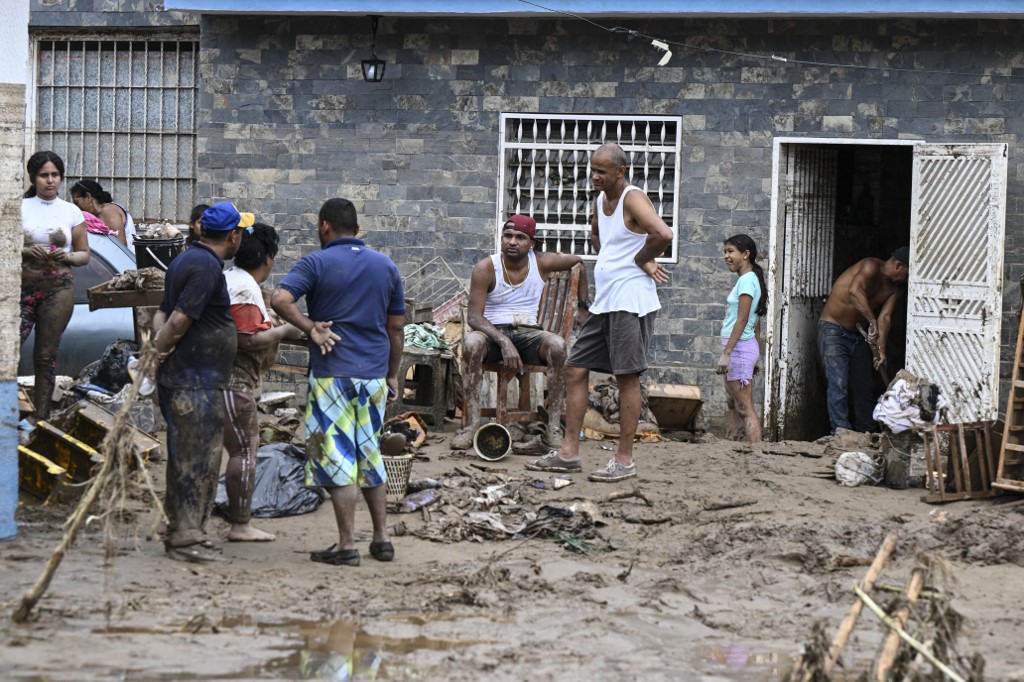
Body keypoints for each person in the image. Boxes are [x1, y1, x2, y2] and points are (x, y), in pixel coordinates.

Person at [526, 143, 672, 482]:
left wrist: (641, 260)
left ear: (620, 171)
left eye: (602, 171)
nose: (594, 176)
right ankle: (569, 453)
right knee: (575, 370)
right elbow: (597, 234)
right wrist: (614, 257)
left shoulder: (632, 198)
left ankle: (623, 461)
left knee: (626, 378)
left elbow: (663, 233)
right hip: (605, 301)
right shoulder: (599, 200)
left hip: (628, 302)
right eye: (592, 169)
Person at [271, 198, 405, 567]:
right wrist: (393, 372)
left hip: (332, 376)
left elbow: (280, 298)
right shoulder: (386, 265)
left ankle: (347, 545)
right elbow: (397, 328)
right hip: (374, 376)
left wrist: (311, 328)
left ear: (324, 226)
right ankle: (382, 540)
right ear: (357, 229)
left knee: (337, 458)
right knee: (369, 455)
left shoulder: (315, 262)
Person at [152, 201, 251, 563]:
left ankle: (180, 526)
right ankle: (186, 536)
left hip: (190, 377)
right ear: (233, 235)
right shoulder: (205, 266)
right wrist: (156, 354)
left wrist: (156, 347)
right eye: (241, 232)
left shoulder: (186, 259)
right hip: (194, 381)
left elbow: (161, 312)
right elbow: (177, 320)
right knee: (198, 460)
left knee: (185, 457)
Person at [450, 214, 588, 453]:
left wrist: (584, 306)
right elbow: (474, 317)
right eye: (508, 236)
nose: (512, 242)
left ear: (531, 243)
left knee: (557, 345)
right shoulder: (485, 267)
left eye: (520, 237)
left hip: (529, 335)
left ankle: (553, 426)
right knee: (472, 343)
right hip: (493, 335)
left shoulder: (542, 262)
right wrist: (503, 341)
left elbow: (579, 262)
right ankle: (472, 425)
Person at [222, 223, 304, 542]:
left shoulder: (232, 279)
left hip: (218, 380)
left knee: (224, 450)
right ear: (268, 260)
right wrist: (284, 331)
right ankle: (240, 524)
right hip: (234, 381)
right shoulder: (243, 288)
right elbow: (248, 341)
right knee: (245, 450)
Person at [20, 151, 90, 422]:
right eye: (43, 175)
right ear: (33, 178)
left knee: (45, 356)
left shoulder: (71, 211)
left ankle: (40, 418)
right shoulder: (18, 208)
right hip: (21, 288)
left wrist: (68, 256)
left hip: (58, 289)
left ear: (60, 177)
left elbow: (84, 254)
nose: (50, 181)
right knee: (8, 349)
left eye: (55, 175)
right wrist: (26, 250)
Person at [818, 247, 910, 434]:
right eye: (907, 274)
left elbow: (885, 319)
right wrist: (871, 321)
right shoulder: (870, 266)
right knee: (839, 383)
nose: (908, 280)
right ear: (899, 266)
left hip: (858, 335)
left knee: (863, 386)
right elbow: (854, 291)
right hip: (833, 329)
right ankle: (840, 433)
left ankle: (865, 432)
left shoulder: (895, 290)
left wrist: (881, 349)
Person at [716, 234, 768, 443]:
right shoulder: (749, 279)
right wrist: (757, 355)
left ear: (745, 254)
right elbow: (756, 322)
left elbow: (743, 319)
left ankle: (757, 452)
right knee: (733, 404)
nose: (726, 256)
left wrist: (727, 354)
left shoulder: (747, 281)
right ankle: (731, 444)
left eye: (730, 252)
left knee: (745, 407)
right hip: (743, 348)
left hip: (739, 350)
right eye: (725, 252)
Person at [69, 179, 136, 247]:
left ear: (88, 197)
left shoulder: (107, 211)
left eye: (77, 202)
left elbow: (120, 246)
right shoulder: (100, 214)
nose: (76, 207)